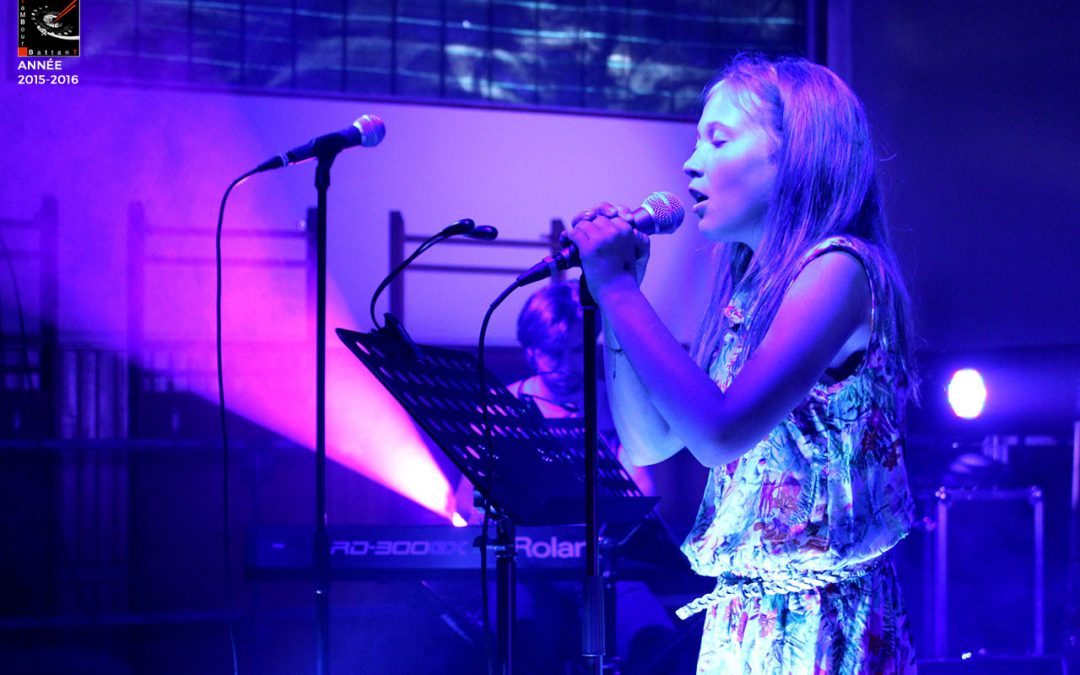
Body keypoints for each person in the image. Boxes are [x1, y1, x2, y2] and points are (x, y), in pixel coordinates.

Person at [565, 53, 919, 674]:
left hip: (821, 621)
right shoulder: (751, 287)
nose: (690, 162)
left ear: (794, 155)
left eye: (718, 139)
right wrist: (620, 301)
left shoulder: (838, 269)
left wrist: (617, 289)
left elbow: (719, 433)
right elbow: (648, 442)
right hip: (746, 621)